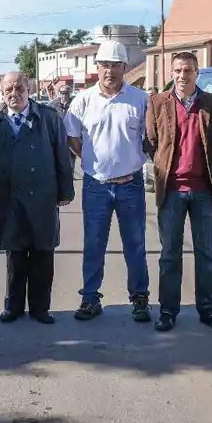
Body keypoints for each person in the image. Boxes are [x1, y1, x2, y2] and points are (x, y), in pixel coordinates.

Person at [63, 40, 151, 322]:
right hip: (95, 185)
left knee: (135, 244)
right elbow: (73, 138)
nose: (109, 70)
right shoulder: (82, 101)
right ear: (96, 67)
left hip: (131, 184)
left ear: (125, 67)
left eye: (115, 65)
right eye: (104, 65)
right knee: (94, 243)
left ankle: (139, 299)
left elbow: (149, 139)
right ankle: (90, 298)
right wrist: (91, 160)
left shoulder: (140, 99)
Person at [146, 52, 212, 333]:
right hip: (171, 190)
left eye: (189, 71)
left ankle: (210, 311)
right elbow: (152, 141)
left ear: (198, 73)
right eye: (178, 70)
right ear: (171, 72)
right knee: (169, 254)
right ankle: (168, 311)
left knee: (208, 254)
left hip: (204, 190)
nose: (183, 76)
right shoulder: (158, 103)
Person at [0, 72, 74, 324]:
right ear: (2, 92)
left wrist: (66, 191)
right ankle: (13, 306)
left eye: (19, 87)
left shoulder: (49, 118)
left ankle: (41, 308)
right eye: (9, 89)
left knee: (43, 253)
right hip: (8, 198)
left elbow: (62, 156)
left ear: (29, 88)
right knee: (15, 254)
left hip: (43, 195)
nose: (14, 93)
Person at [49, 84, 77, 175]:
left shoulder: (75, 104)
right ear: (59, 94)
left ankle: (70, 174)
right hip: (57, 136)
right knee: (57, 157)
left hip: (72, 136)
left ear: (69, 94)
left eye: (66, 93)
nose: (64, 96)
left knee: (71, 159)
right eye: (62, 93)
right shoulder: (53, 105)